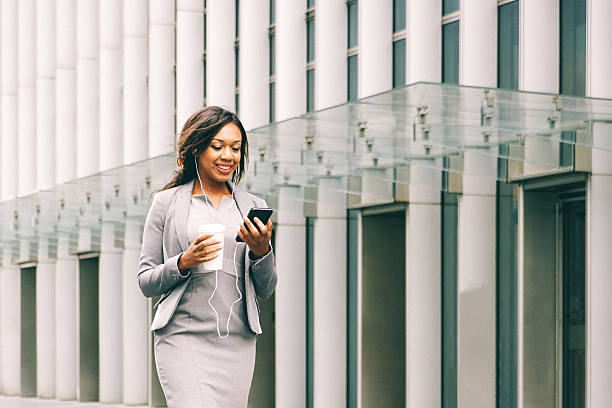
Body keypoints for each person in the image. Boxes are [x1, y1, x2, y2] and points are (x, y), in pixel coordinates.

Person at [138, 106, 277, 407]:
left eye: (236, 148)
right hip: (182, 336)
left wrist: (261, 251)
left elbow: (266, 288)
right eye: (218, 146)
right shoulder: (166, 204)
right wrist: (182, 262)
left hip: (237, 341)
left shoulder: (252, 206)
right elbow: (146, 281)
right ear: (197, 148)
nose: (228, 156)